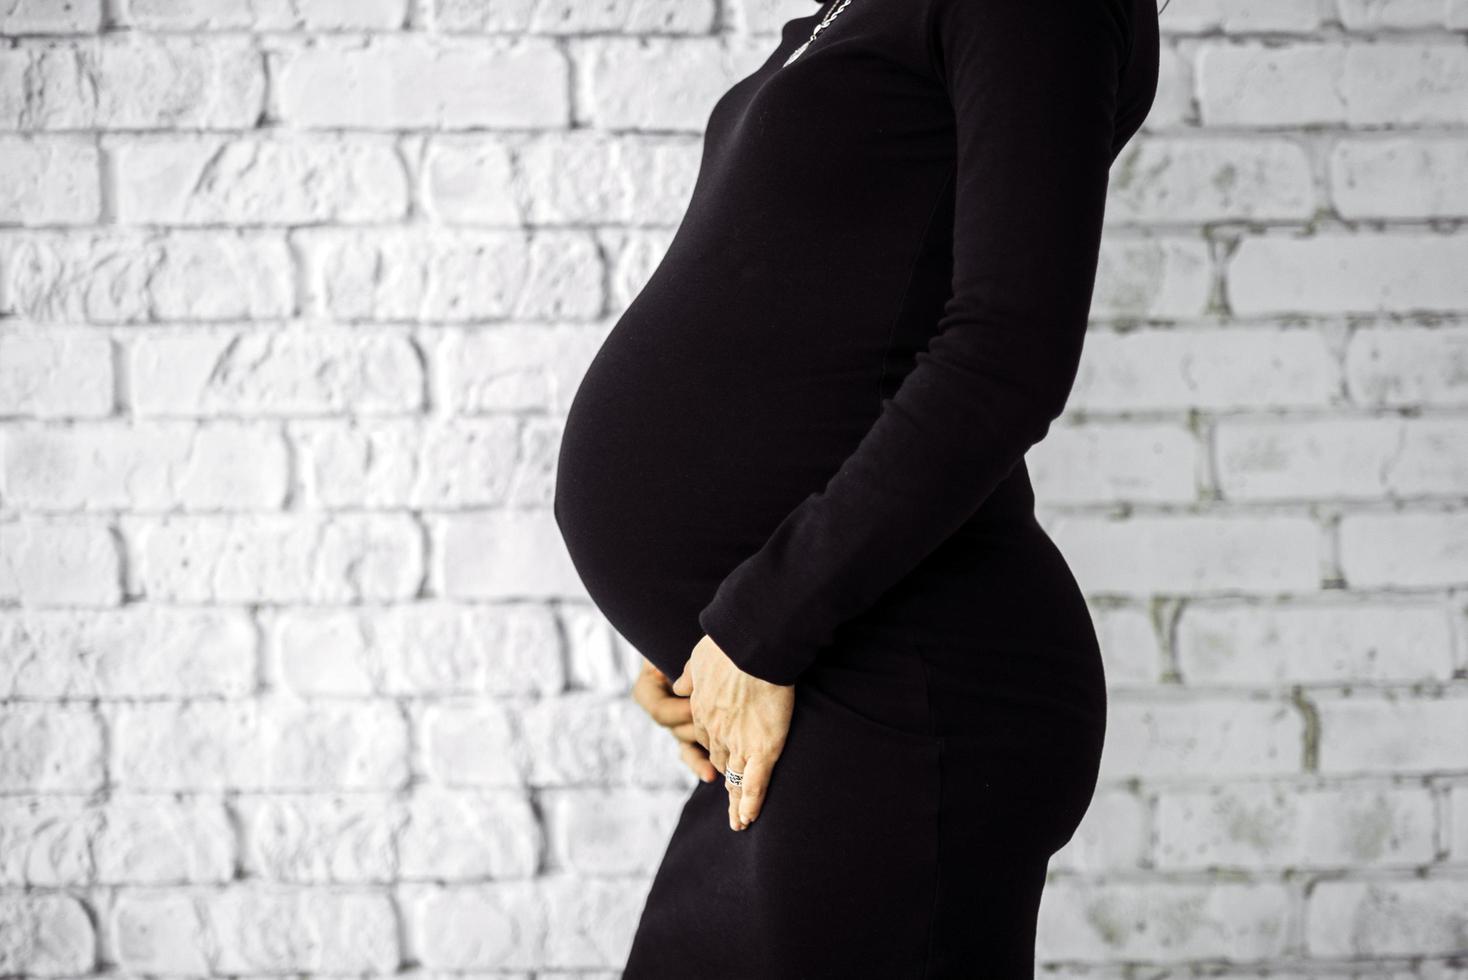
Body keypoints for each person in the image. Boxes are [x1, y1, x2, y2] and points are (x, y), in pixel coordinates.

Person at [553, 0, 1160, 974]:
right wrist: (707, 629)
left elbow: (1006, 354)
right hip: (810, 681)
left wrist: (758, 620)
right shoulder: (841, 13)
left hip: (909, 697)